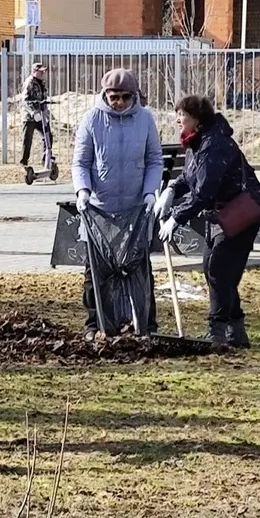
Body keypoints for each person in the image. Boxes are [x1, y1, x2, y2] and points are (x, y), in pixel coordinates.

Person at [158, 94, 260, 347]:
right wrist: (171, 190)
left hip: (241, 212)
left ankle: (217, 332)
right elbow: (190, 177)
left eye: (182, 115)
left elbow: (204, 191)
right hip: (222, 213)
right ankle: (235, 332)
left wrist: (176, 218)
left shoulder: (214, 144)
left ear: (197, 118)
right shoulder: (197, 142)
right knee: (214, 268)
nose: (177, 120)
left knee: (218, 268)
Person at [72, 68, 164, 335]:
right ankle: (95, 324)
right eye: (114, 97)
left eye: (125, 97)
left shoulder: (145, 119)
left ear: (134, 96)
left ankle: (146, 324)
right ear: (105, 95)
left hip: (136, 210)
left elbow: (154, 159)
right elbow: (81, 162)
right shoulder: (92, 119)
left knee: (139, 269)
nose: (120, 103)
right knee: (96, 271)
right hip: (100, 210)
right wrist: (82, 190)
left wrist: (150, 191)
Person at [20, 60, 53, 180]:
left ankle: (46, 159)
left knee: (48, 136)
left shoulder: (42, 83)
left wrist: (46, 113)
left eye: (44, 72)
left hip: (41, 115)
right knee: (27, 140)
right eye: (41, 72)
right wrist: (33, 112)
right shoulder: (29, 83)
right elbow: (24, 101)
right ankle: (24, 163)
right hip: (29, 117)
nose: (43, 73)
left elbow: (43, 99)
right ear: (34, 71)